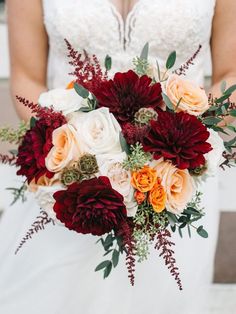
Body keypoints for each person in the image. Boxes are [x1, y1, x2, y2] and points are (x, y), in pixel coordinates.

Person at [0, 0, 236, 313]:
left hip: (176, 181)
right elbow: (27, 79)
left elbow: (230, 75)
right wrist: (79, 151)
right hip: (66, 181)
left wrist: (166, 152)